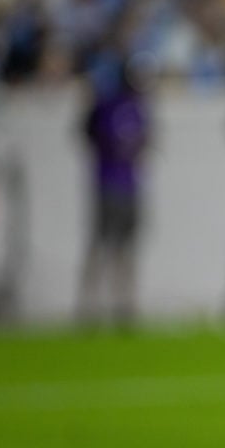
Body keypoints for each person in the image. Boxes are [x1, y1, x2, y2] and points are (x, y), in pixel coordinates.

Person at [77, 56, 151, 325]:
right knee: (103, 245)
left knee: (124, 247)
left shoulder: (135, 106)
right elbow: (87, 132)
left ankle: (122, 305)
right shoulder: (108, 106)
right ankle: (92, 306)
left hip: (127, 184)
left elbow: (145, 139)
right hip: (110, 183)